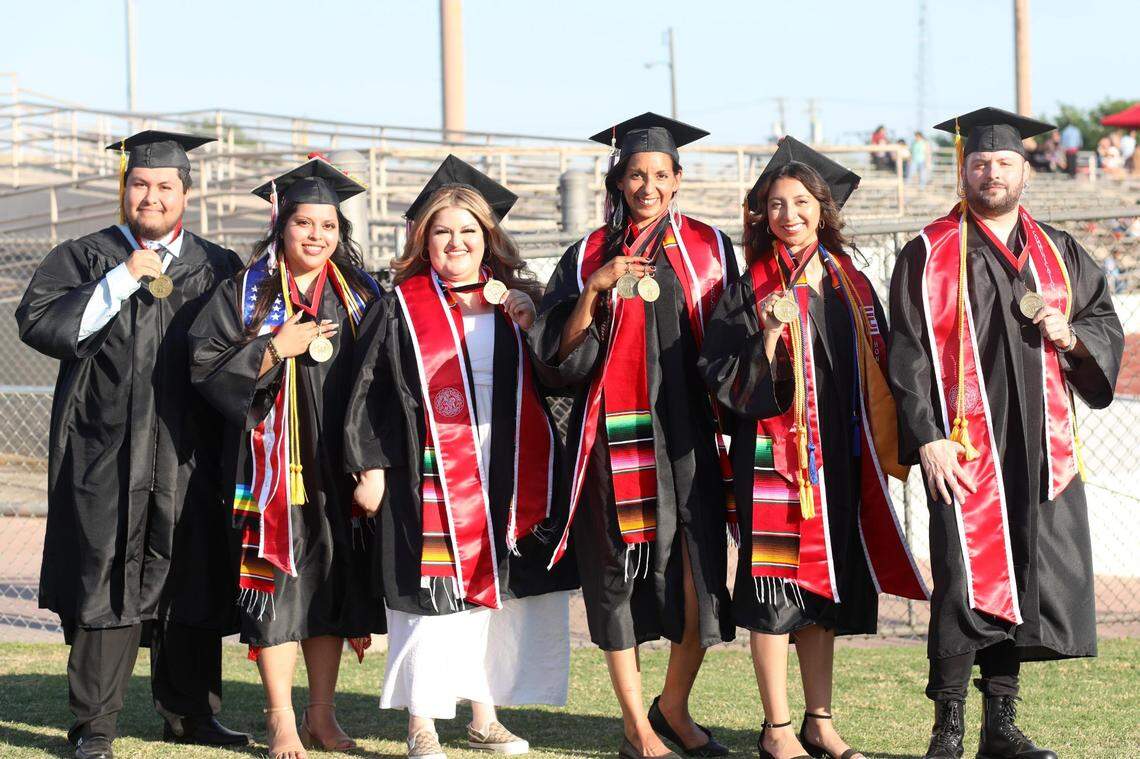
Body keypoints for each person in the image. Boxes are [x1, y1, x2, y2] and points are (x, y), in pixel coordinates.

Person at [887, 107, 1124, 759]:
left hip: (1039, 446)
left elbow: (1102, 321)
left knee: (1020, 577)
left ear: (1026, 171)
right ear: (963, 170)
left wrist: (1071, 336)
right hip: (961, 446)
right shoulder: (930, 251)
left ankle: (1001, 725)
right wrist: (927, 435)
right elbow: (906, 352)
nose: (991, 173)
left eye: (1003, 163)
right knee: (963, 580)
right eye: (980, 162)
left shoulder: (1059, 252)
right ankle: (947, 729)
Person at [15, 131, 249, 759]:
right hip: (105, 451)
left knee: (189, 575)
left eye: (165, 186)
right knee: (105, 577)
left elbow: (240, 347)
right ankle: (95, 726)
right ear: (125, 190)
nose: (152, 196)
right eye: (140, 184)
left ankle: (192, 715)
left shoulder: (218, 265)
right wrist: (119, 280)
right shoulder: (85, 257)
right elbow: (39, 324)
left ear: (186, 194)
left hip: (190, 454)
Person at [700, 137, 928, 759]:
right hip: (775, 462)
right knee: (774, 590)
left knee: (823, 590)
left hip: (839, 461)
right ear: (763, 215)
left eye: (801, 202)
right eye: (776, 204)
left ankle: (818, 721)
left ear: (823, 209)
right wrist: (768, 336)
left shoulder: (851, 282)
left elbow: (883, 368)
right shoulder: (750, 288)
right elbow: (719, 375)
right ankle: (776, 729)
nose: (789, 214)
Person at [345, 155, 577, 759]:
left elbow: (559, 379)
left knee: (492, 597)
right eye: (442, 231)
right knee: (430, 595)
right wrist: (370, 467)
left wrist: (533, 327)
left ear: (487, 238)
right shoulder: (400, 306)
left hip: (504, 468)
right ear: (424, 240)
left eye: (468, 231)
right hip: (428, 471)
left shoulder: (516, 302)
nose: (456, 242)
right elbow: (369, 391)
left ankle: (483, 716)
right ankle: (421, 723)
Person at [528, 113, 736, 759]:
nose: (648, 186)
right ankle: (635, 726)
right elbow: (556, 359)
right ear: (618, 180)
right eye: (636, 174)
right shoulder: (587, 254)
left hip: (689, 438)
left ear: (679, 179)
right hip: (609, 440)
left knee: (699, 580)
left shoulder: (710, 248)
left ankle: (671, 706)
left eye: (660, 174)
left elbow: (731, 345)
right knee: (615, 578)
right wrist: (593, 291)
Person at [189, 157, 385, 759]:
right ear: (282, 225)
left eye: (328, 225)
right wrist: (274, 349)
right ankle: (279, 719)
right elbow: (204, 366)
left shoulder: (363, 295)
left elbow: (385, 379)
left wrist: (372, 463)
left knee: (330, 586)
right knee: (275, 587)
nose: (316, 235)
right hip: (268, 470)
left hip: (338, 466)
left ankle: (321, 716)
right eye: (304, 223)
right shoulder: (244, 294)